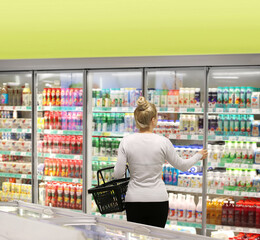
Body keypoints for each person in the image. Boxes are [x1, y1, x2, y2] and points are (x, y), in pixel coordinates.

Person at [114, 96, 208, 228]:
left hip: (134, 200)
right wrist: (198, 155)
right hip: (158, 200)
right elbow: (182, 166)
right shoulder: (163, 142)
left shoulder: (126, 141)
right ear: (153, 120)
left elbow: (118, 174)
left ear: (137, 121)